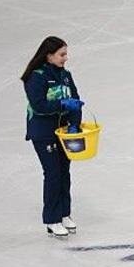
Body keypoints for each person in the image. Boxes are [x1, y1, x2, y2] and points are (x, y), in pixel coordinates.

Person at [21, 36, 83, 237]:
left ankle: (64, 214)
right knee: (53, 173)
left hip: (63, 133)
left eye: (66, 54)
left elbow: (75, 100)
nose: (66, 58)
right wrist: (62, 104)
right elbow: (39, 105)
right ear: (49, 56)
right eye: (61, 54)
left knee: (64, 172)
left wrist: (74, 124)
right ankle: (52, 219)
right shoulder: (36, 77)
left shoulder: (65, 75)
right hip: (43, 132)